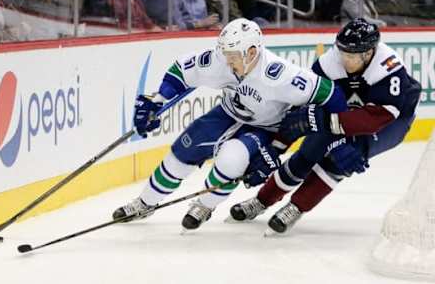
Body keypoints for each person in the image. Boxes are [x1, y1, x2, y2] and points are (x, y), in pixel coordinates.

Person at [112, 18, 348, 231]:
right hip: (227, 113)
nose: (227, 60)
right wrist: (158, 99)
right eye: (225, 53)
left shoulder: (282, 76)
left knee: (231, 159)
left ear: (252, 52)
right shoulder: (221, 59)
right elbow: (180, 71)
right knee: (180, 154)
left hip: (265, 128)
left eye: (233, 55)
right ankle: (144, 203)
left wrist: (337, 134)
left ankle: (204, 205)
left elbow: (332, 95)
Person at [229, 18, 421, 235]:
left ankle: (296, 207)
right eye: (342, 52)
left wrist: (333, 130)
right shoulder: (328, 64)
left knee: (344, 159)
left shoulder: (388, 69)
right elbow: (301, 112)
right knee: (308, 152)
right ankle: (261, 200)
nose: (344, 59)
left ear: (368, 53)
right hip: (347, 113)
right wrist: (275, 149)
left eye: (351, 56)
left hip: (391, 122)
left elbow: (377, 118)